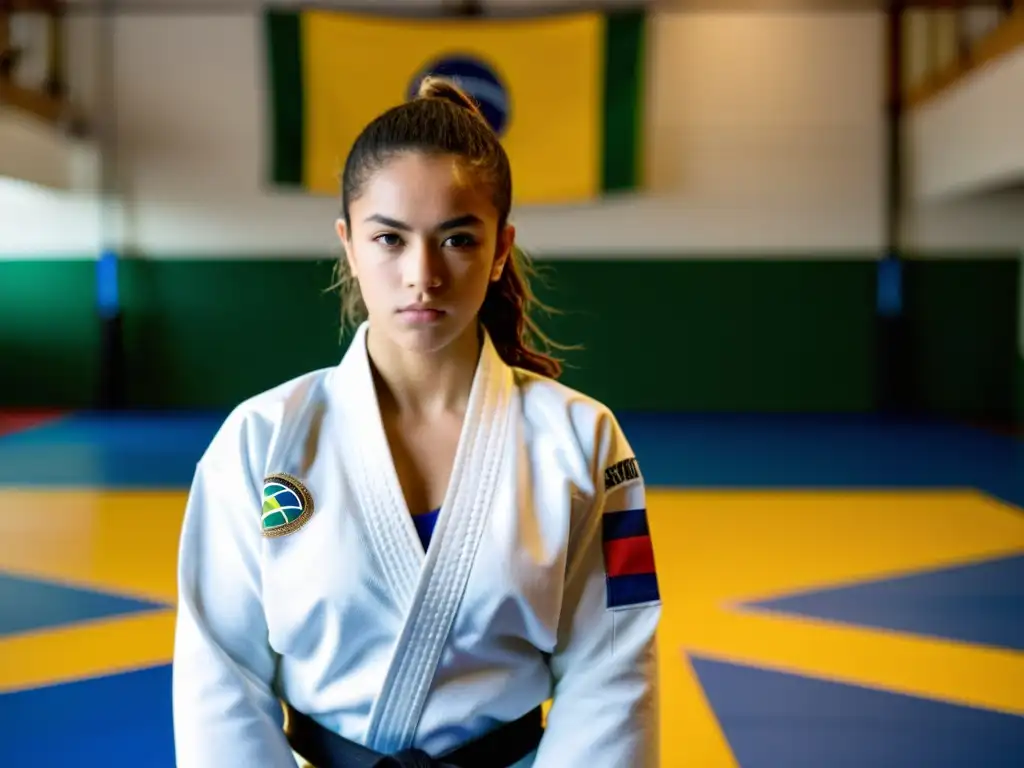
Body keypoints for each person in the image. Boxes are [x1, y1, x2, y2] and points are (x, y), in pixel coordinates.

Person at [171, 76, 662, 768]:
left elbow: (614, 669)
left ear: (499, 250)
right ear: (348, 243)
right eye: (389, 239)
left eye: (457, 239)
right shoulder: (257, 441)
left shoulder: (582, 440)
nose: (422, 274)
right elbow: (217, 675)